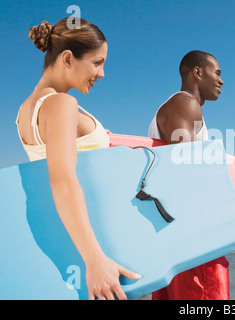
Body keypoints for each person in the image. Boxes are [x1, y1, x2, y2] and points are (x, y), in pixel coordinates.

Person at [16, 18, 141, 300]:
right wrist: (95, 260)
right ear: (68, 59)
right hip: (102, 248)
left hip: (72, 248)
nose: (103, 73)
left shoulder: (26, 109)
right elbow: (63, 181)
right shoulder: (61, 104)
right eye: (97, 63)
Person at [148, 50, 227, 300]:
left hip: (170, 234)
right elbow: (183, 172)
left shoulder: (177, 105)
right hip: (191, 236)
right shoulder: (185, 104)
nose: (221, 80)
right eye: (217, 72)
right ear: (197, 72)